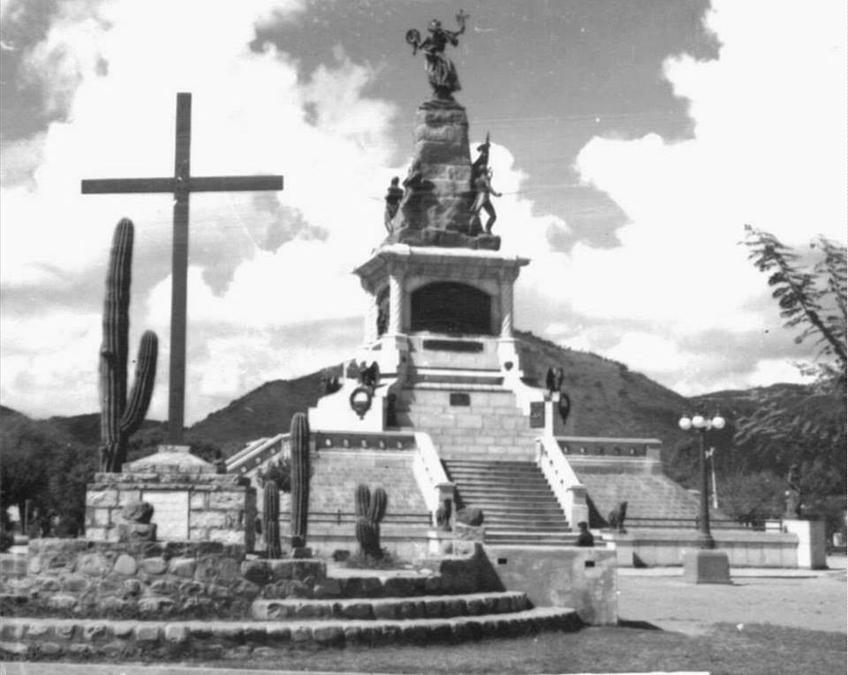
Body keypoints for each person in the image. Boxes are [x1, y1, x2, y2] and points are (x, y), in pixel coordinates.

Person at [406, 11, 468, 99]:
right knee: (433, 72)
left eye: (437, 24)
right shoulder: (429, 38)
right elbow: (421, 46)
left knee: (448, 68)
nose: (436, 26)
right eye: (434, 25)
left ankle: (444, 88)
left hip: (440, 55)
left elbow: (457, 33)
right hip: (431, 55)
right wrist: (415, 40)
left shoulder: (443, 34)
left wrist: (462, 23)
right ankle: (439, 89)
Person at [471, 167, 502, 234]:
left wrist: (490, 176)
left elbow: (485, 182)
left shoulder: (476, 180)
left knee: (475, 214)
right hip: (484, 197)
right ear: (485, 171)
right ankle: (488, 229)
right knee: (493, 216)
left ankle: (470, 229)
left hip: (478, 198)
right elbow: (488, 186)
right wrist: (496, 194)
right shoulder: (485, 178)